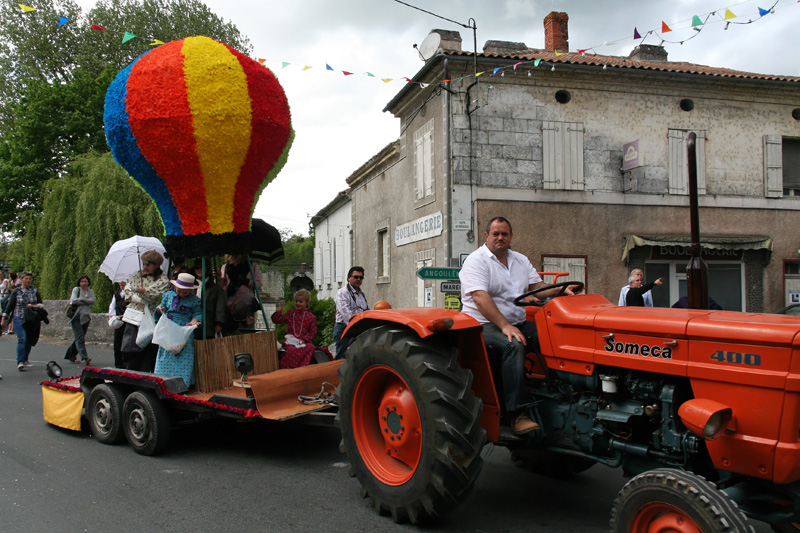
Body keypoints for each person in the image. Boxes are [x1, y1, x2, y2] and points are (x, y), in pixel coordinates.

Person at [459, 217, 578, 435]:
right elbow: (479, 297)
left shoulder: (520, 260)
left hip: (516, 322)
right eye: (495, 234)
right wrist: (505, 326)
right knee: (513, 344)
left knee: (552, 337)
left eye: (504, 234)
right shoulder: (476, 261)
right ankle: (516, 413)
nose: (500, 238)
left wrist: (560, 290)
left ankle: (563, 392)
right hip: (481, 325)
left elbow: (537, 288)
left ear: (511, 236)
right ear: (486, 236)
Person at [123, 250, 170, 372]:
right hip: (134, 316)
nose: (144, 267)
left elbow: (153, 293)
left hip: (150, 317)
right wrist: (137, 297)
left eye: (148, 265)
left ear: (156, 265)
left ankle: (146, 373)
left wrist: (137, 290)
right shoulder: (136, 275)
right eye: (143, 264)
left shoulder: (163, 279)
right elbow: (127, 291)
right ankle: (130, 371)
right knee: (130, 348)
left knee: (148, 349)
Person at [154, 273, 202, 387]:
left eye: (185, 292)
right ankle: (162, 382)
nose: (181, 294)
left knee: (184, 356)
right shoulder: (168, 295)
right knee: (165, 354)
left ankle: (183, 384)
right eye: (179, 291)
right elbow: (161, 307)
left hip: (183, 330)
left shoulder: (194, 300)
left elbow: (197, 313)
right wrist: (160, 309)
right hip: (169, 328)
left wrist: (194, 320)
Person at [1, 272, 45, 371]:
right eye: (26, 278)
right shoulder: (16, 291)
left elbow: (41, 304)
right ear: (21, 280)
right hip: (19, 317)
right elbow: (10, 306)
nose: (28, 280)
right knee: (22, 339)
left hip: (31, 318)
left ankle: (25, 359)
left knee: (29, 339)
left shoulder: (34, 290)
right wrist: (4, 318)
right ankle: (20, 361)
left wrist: (33, 306)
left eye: (30, 279)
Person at [271, 289, 319, 369]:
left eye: (301, 301)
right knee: (291, 350)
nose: (298, 303)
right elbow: (277, 320)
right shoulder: (291, 314)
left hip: (303, 342)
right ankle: (284, 368)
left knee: (310, 347)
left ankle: (301, 368)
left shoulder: (311, 317)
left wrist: (304, 340)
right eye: (296, 301)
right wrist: (280, 309)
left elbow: (313, 332)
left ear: (307, 302)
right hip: (291, 341)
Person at [219, 254, 262, 331]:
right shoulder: (225, 267)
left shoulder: (251, 266)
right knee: (230, 331)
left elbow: (258, 284)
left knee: (246, 330)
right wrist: (218, 278)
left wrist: (247, 281)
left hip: (246, 305)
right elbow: (220, 285)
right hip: (230, 306)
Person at [334, 266, 367, 358]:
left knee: (357, 357)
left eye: (361, 277)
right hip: (344, 328)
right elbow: (346, 314)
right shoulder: (342, 293)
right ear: (349, 278)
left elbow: (365, 310)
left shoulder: (362, 293)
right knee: (342, 357)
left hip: (358, 328)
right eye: (356, 277)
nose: (358, 279)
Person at [64, 275, 96, 365]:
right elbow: (73, 301)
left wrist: (81, 300)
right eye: (82, 281)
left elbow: (93, 301)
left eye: (85, 281)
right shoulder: (76, 290)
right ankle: (85, 357)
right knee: (80, 337)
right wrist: (87, 300)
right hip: (76, 317)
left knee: (79, 338)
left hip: (85, 317)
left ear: (88, 282)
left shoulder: (91, 291)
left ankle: (70, 355)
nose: (84, 283)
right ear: (79, 282)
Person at [192, 261, 226, 340]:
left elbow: (220, 307)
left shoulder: (216, 289)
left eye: (202, 267)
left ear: (207, 269)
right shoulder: (191, 287)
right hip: (192, 325)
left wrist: (219, 323)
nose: (199, 269)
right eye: (197, 268)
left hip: (209, 326)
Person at [108, 281, 128, 367]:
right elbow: (112, 307)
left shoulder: (131, 294)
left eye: (123, 281)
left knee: (127, 342)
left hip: (128, 321)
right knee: (117, 342)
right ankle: (118, 363)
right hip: (118, 322)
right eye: (120, 282)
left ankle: (126, 362)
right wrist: (113, 316)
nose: (121, 283)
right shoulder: (116, 294)